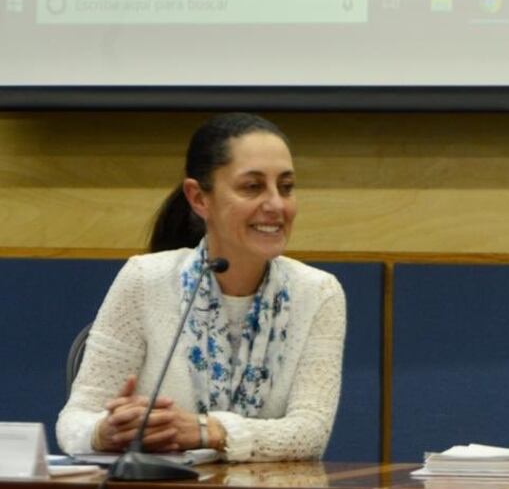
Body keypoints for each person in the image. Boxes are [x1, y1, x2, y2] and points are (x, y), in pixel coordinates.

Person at [57, 113, 346, 461]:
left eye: (286, 187)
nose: (276, 205)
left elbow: (310, 433)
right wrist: (104, 431)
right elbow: (74, 422)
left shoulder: (318, 293)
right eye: (252, 187)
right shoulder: (144, 279)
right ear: (198, 198)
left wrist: (208, 431)